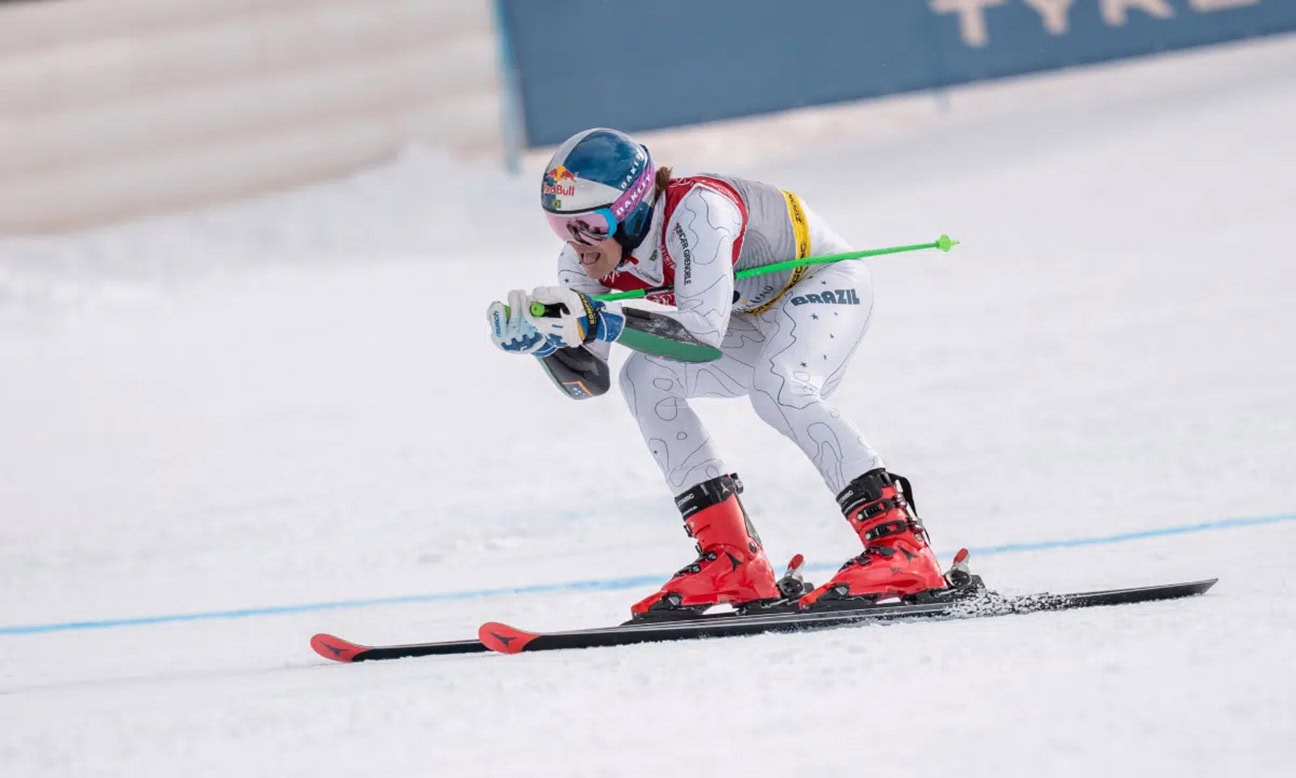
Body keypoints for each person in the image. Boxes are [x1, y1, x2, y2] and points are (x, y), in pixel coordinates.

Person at [486, 127, 951, 619]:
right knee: (642, 380)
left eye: (591, 227)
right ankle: (733, 561)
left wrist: (600, 319)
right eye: (562, 228)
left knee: (781, 389)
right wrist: (548, 345)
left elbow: (702, 339)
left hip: (820, 285)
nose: (577, 245)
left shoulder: (700, 212)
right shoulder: (581, 265)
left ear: (634, 209)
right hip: (750, 314)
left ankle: (901, 546)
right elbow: (589, 382)